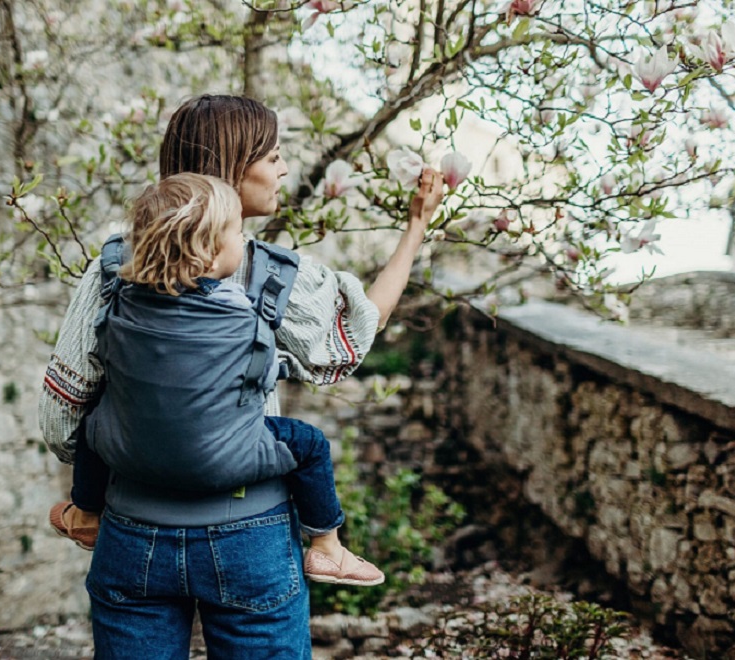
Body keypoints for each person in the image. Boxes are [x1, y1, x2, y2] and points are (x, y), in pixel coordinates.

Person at [38, 94, 443, 659]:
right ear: (231, 169)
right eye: (273, 157)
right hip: (249, 533)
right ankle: (329, 545)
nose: (284, 169)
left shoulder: (113, 268)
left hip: (132, 531)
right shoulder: (274, 275)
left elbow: (64, 419)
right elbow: (355, 335)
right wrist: (416, 226)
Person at [51, 171, 386, 587]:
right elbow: (262, 374)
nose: (244, 242)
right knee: (310, 443)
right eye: (238, 234)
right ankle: (326, 548)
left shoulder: (121, 304)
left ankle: (85, 514)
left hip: (131, 456)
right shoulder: (239, 310)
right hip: (226, 464)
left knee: (92, 424)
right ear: (209, 258)